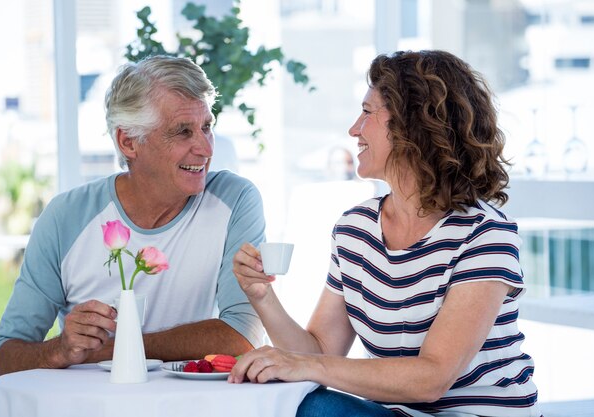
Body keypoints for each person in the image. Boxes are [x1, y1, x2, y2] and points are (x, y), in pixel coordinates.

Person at [230, 50, 542, 416]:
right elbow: (319, 355)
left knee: (312, 409)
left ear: (412, 125)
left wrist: (304, 366)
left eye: (367, 112)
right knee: (297, 400)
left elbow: (432, 379)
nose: (353, 129)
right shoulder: (355, 230)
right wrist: (262, 296)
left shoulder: (484, 235)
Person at [0, 55, 265, 379]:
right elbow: (0, 360)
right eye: (183, 132)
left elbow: (242, 337)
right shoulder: (66, 217)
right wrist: (60, 349)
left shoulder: (235, 200)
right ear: (128, 142)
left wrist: (114, 348)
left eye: (207, 127)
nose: (205, 148)